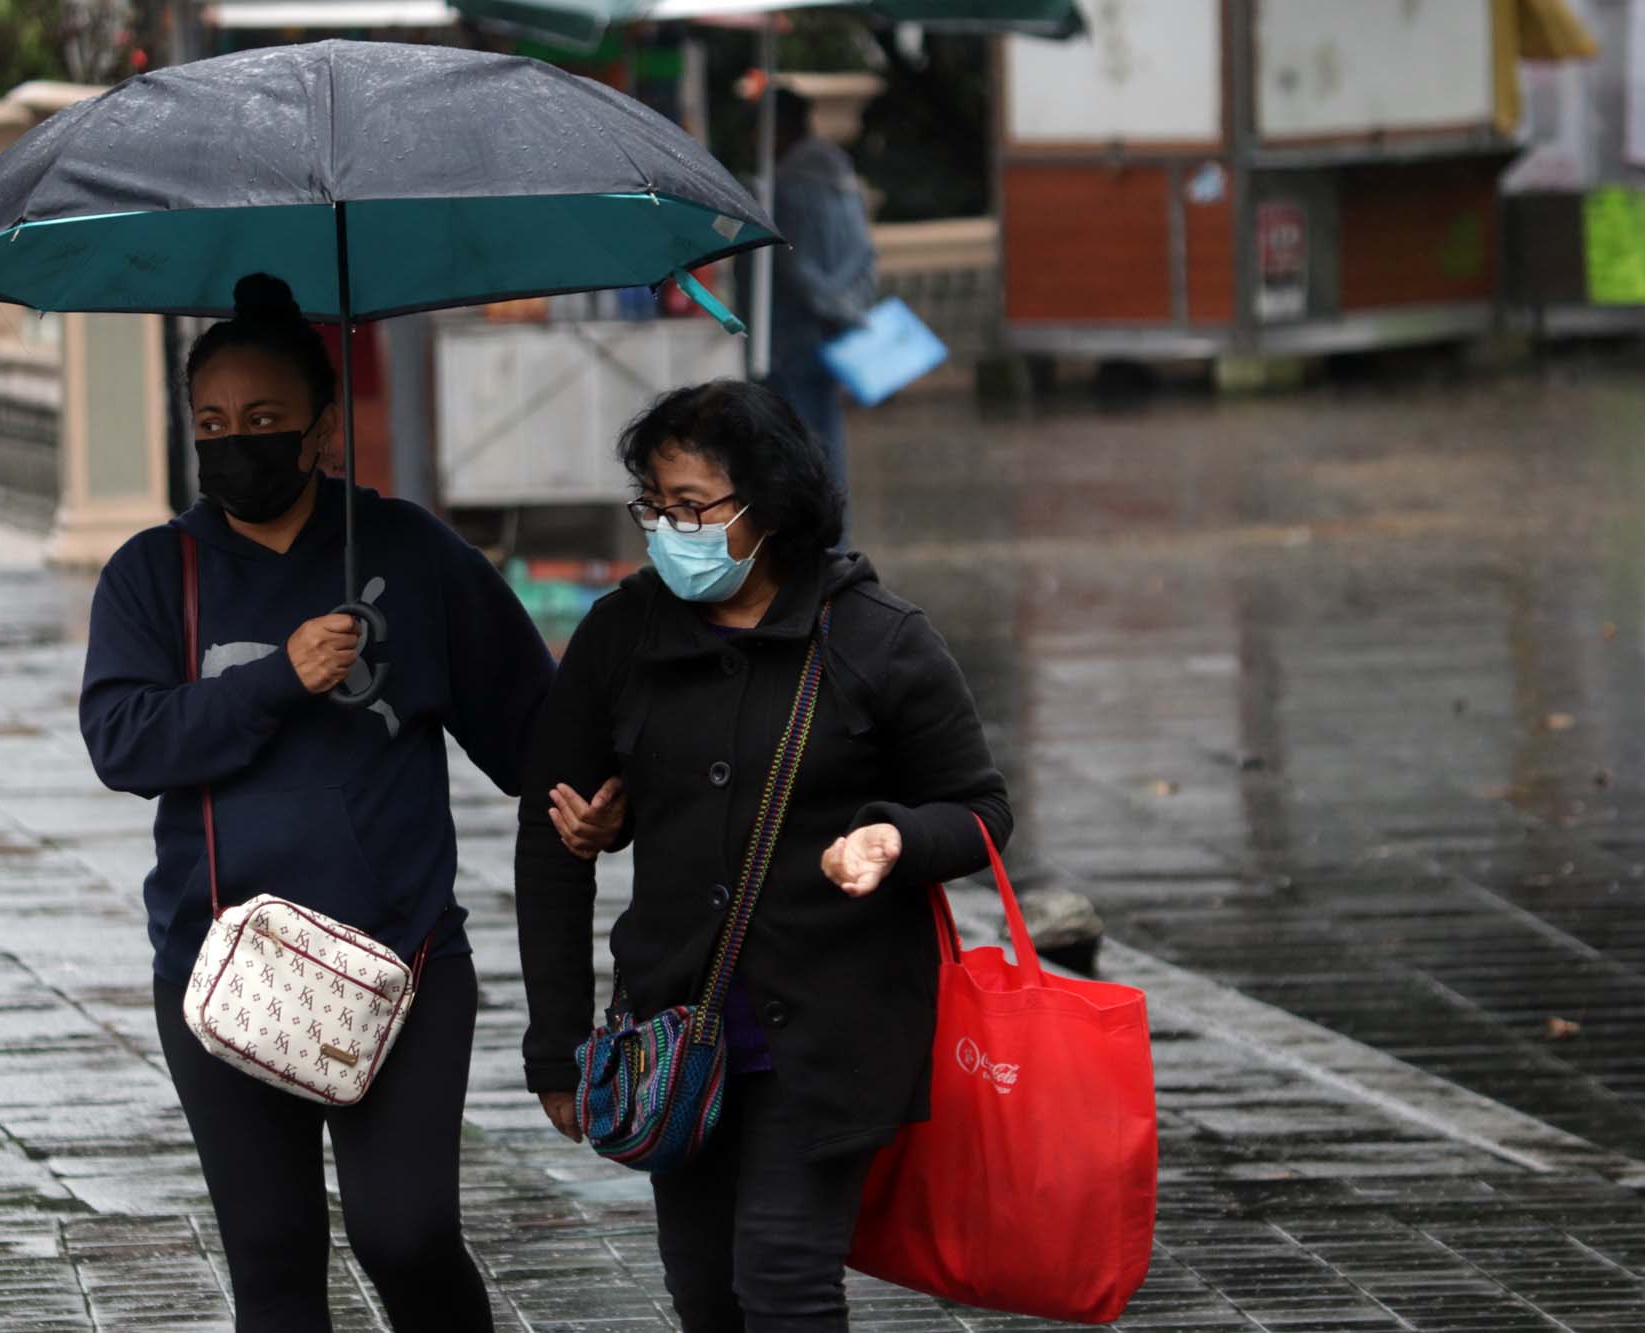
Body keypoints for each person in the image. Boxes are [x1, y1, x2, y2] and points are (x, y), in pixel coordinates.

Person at [78, 273, 623, 1332]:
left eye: (267, 421)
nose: (239, 443)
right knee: (275, 1267)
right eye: (213, 424)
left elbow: (533, 733)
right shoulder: (154, 574)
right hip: (226, 972)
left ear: (325, 428)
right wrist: (276, 675)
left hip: (403, 965)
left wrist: (600, 801)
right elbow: (124, 741)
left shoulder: (413, 555)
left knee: (405, 1232)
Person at [514, 379, 1014, 1331]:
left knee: (783, 1281)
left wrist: (896, 836)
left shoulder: (878, 638)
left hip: (833, 1033)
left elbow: (980, 809)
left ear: (770, 507)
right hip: (675, 1033)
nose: (671, 529)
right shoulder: (623, 633)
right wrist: (558, 1042)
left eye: (695, 506)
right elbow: (553, 836)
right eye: (656, 506)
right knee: (705, 1296)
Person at [765, 88, 878, 518]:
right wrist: (850, 310)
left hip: (792, 339)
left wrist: (827, 304)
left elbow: (796, 265)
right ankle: (834, 541)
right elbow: (865, 254)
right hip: (834, 336)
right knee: (827, 449)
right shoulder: (841, 176)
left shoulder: (786, 185)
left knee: (794, 455)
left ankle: (811, 550)